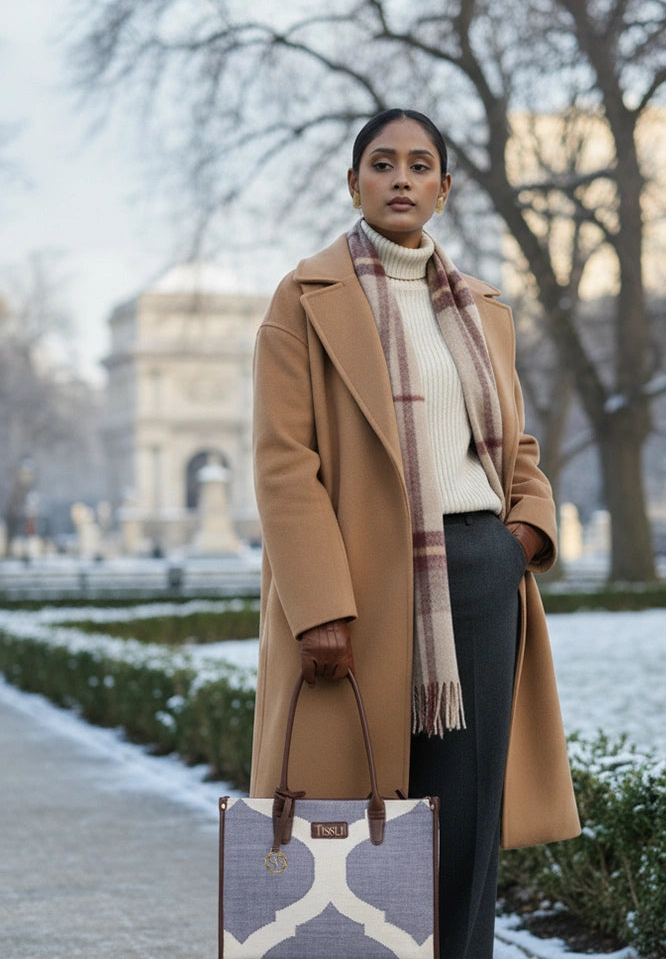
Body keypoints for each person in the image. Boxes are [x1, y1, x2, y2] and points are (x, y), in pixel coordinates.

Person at [249, 108, 580, 958]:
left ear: (443, 187)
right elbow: (285, 464)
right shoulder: (305, 298)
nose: (401, 177)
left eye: (420, 164)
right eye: (383, 162)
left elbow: (515, 441)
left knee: (464, 825)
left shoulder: (482, 308)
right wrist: (319, 603)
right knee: (357, 818)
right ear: (353, 181)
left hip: (476, 570)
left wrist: (525, 536)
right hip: (356, 587)